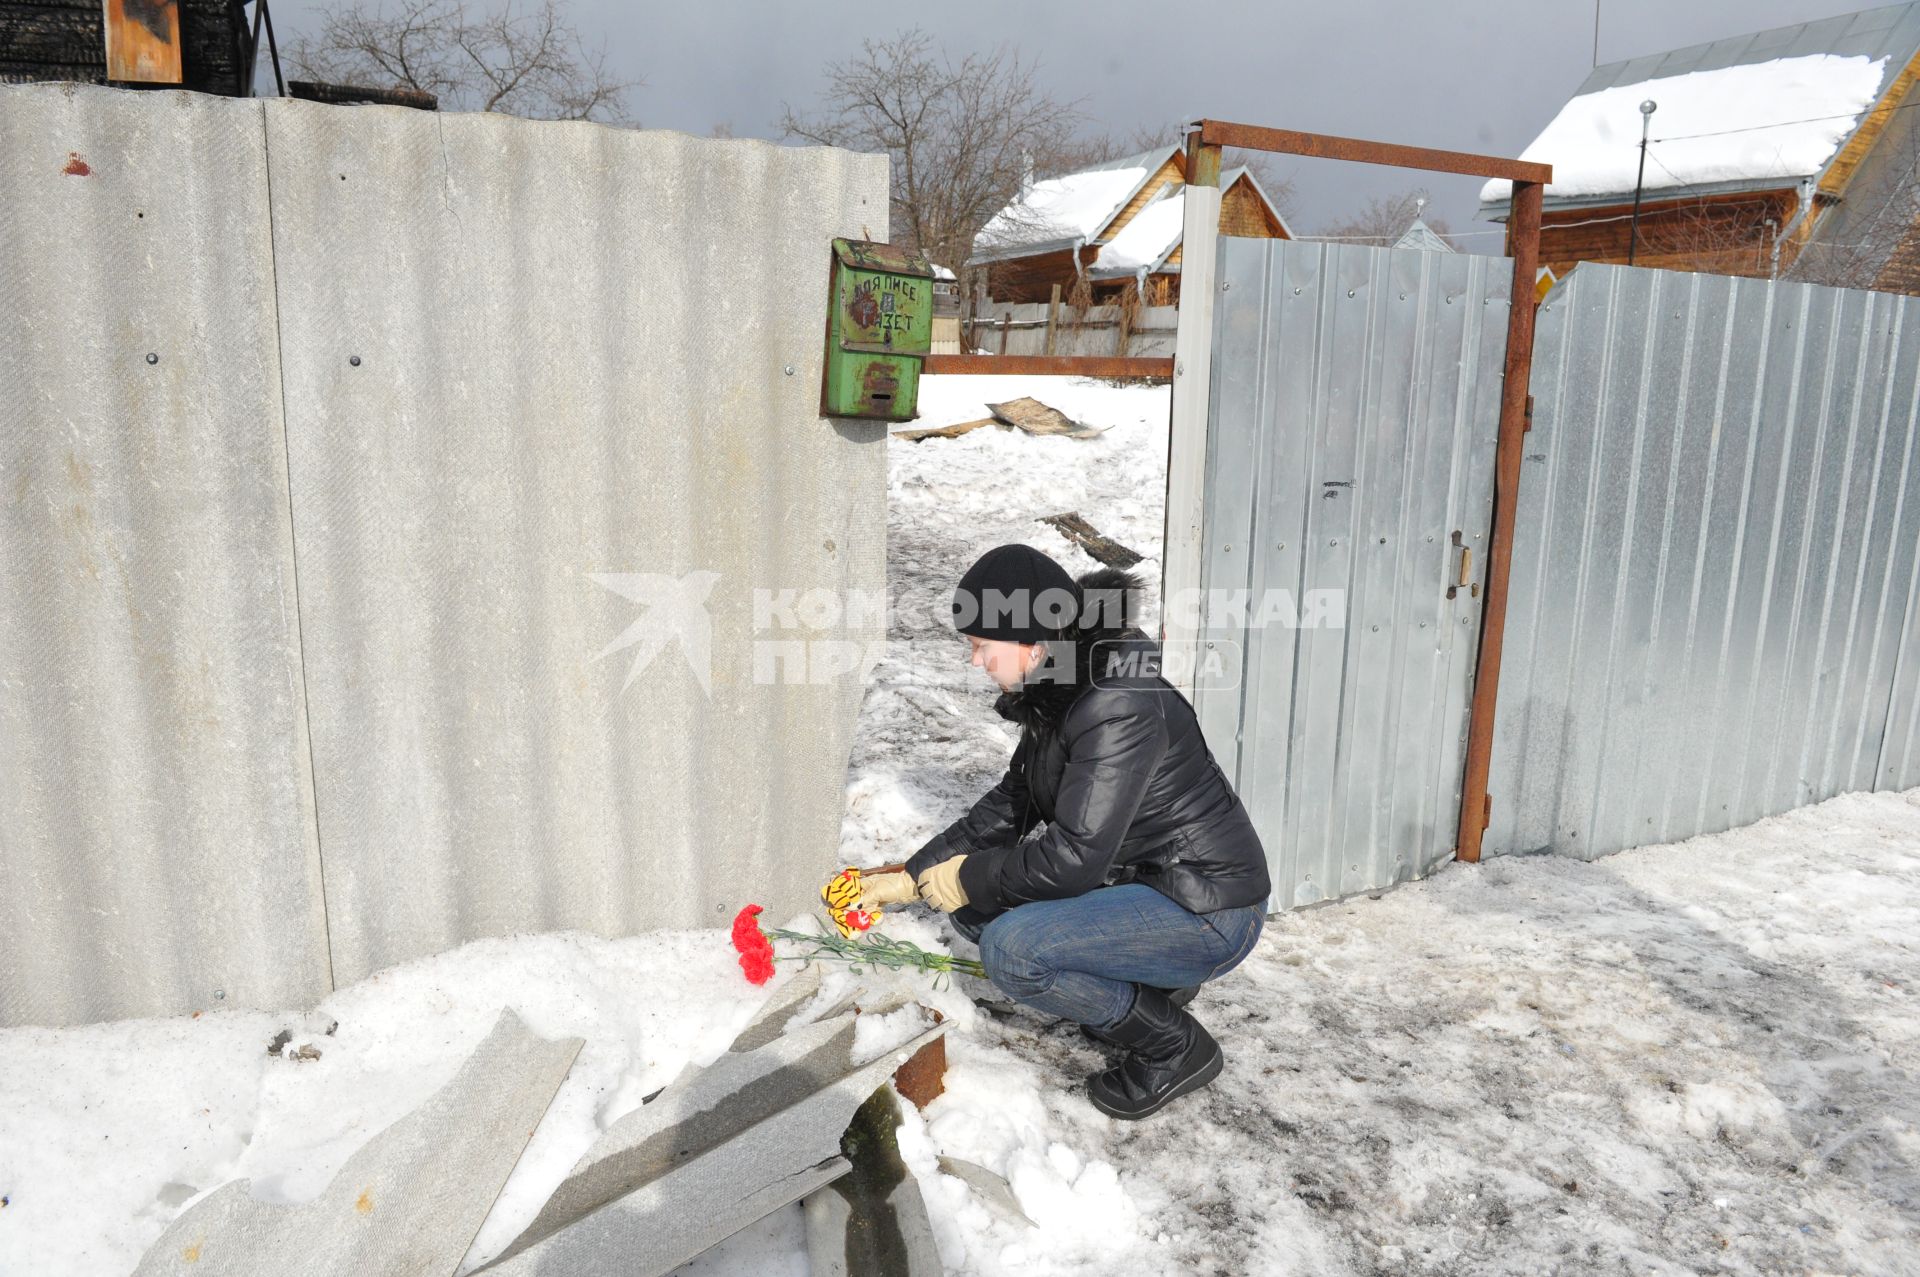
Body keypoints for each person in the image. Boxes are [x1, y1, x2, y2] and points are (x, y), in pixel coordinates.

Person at [855, 543, 1271, 1119]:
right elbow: (1012, 803)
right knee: (977, 910)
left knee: (1012, 949)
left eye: (981, 646)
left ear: (1031, 640)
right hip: (1143, 884)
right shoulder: (1061, 689)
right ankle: (1149, 992)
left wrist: (968, 875)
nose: (975, 662)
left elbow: (1074, 857)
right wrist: (911, 876)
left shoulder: (1114, 703)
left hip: (1209, 909)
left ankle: (1174, 1047)